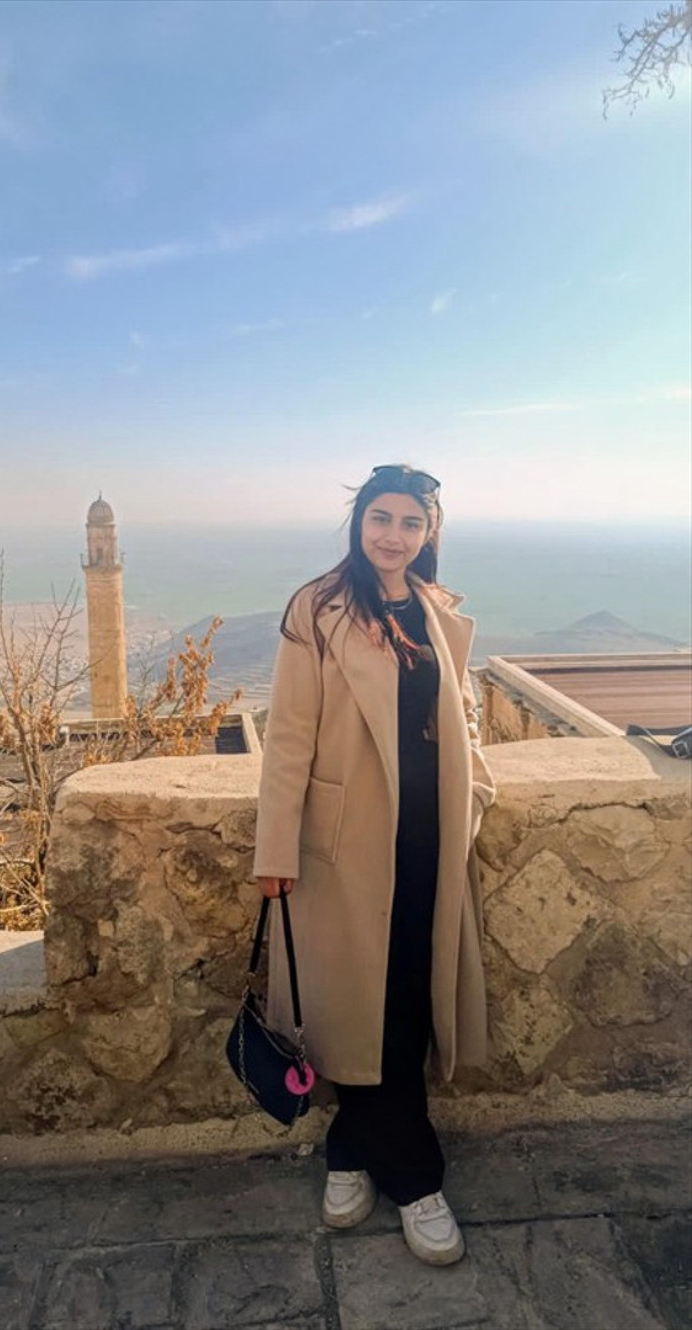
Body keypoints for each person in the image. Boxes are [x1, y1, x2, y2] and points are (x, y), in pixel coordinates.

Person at [253, 463, 495, 1266]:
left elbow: (462, 713)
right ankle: (418, 1179)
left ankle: (349, 1153)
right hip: (345, 840)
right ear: (360, 522)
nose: (393, 535)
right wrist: (274, 848)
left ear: (429, 533)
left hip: (429, 834)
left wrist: (477, 788)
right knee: (361, 1003)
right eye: (380, 518)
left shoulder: (434, 608)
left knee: (409, 997)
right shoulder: (317, 608)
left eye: (410, 523)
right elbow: (289, 736)